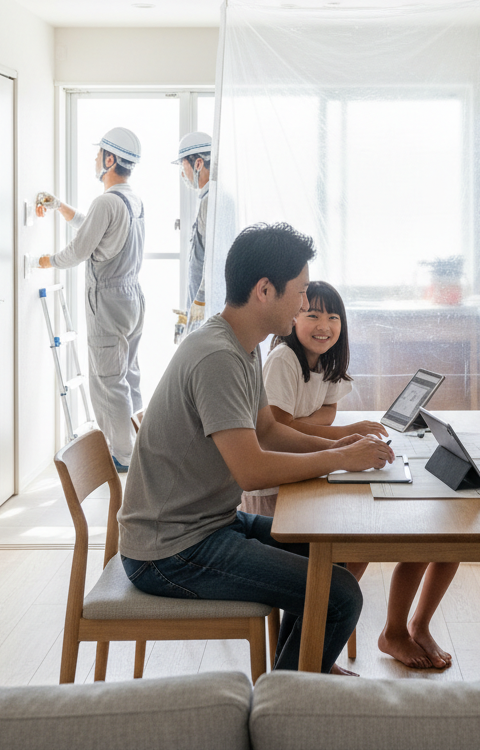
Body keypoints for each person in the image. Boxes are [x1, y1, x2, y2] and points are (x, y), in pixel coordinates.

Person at [117, 223, 394, 673]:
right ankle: (287, 699)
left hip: (209, 524)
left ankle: (300, 673)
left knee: (333, 552)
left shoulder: (244, 347)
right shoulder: (218, 357)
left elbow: (267, 429)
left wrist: (341, 442)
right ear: (265, 289)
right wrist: (340, 459)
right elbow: (251, 471)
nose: (305, 303)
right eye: (301, 292)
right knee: (339, 594)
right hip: (171, 551)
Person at [240, 280, 458, 670]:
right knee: (345, 548)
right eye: (313, 315)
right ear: (293, 318)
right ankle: (313, 656)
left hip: (300, 473)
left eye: (333, 317)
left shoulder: (324, 359)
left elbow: (322, 414)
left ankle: (317, 652)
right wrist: (342, 438)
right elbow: (279, 427)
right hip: (276, 488)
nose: (323, 326)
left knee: (356, 541)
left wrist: (329, 432)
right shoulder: (284, 360)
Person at [34, 127, 144, 473]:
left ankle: (123, 457)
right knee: (128, 376)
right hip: (132, 298)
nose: (95, 158)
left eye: (99, 154)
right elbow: (93, 229)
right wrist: (60, 207)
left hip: (109, 299)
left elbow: (79, 250)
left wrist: (44, 261)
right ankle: (138, 447)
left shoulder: (106, 201)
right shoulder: (130, 200)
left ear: (110, 159)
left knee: (109, 382)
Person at [174, 131, 211, 336]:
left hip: (205, 307)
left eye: (183, 166)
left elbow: (213, 258)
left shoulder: (210, 201)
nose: (182, 174)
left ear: (198, 164)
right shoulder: (207, 199)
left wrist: (200, 299)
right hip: (200, 307)